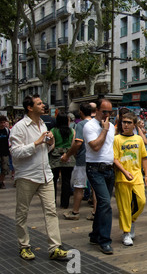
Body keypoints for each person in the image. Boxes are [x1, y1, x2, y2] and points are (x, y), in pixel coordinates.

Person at [9, 94, 68, 261]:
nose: (44, 105)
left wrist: (50, 143)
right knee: (22, 212)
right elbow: (15, 152)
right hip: (27, 175)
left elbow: (47, 150)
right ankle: (24, 246)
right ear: (30, 107)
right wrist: (36, 142)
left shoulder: (43, 124)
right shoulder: (19, 127)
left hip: (45, 175)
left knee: (51, 211)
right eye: (39, 103)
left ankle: (55, 247)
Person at [113, 112, 147, 246]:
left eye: (129, 122)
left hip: (137, 176)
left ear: (134, 125)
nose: (126, 125)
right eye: (124, 122)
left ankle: (131, 221)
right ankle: (126, 232)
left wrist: (146, 175)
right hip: (122, 178)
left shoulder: (138, 139)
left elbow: (144, 157)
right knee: (124, 206)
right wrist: (124, 172)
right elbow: (115, 159)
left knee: (141, 201)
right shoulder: (116, 139)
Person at [83, 98, 116, 255]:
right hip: (95, 168)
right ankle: (104, 240)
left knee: (104, 204)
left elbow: (111, 148)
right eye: (105, 112)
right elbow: (95, 147)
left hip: (109, 169)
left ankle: (95, 235)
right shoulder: (89, 126)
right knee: (104, 203)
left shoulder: (111, 127)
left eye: (110, 112)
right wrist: (104, 130)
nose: (107, 115)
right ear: (96, 111)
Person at [61, 103, 93, 220]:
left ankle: (75, 212)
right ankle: (95, 212)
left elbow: (78, 143)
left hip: (82, 159)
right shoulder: (97, 124)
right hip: (94, 160)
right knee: (94, 187)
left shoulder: (81, 125)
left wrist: (68, 154)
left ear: (81, 112)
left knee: (79, 186)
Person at [49, 112, 76, 209]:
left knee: (54, 180)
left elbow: (52, 146)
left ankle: (52, 202)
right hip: (68, 156)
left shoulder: (53, 130)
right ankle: (65, 203)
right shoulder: (72, 131)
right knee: (66, 181)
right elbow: (73, 144)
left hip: (55, 156)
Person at [0, 115, 10, 189]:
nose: (3, 124)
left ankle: (1, 181)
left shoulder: (7, 130)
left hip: (5, 152)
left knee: (5, 168)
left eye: (4, 122)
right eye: (1, 122)